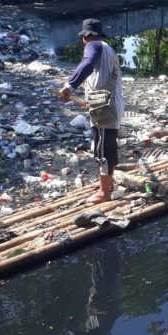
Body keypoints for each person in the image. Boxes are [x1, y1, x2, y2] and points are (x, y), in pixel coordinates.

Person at [58, 19, 124, 202]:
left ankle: (105, 193)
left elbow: (87, 64)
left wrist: (69, 86)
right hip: (108, 105)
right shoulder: (107, 49)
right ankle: (106, 182)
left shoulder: (93, 46)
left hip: (106, 108)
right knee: (106, 145)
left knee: (103, 149)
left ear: (84, 38)